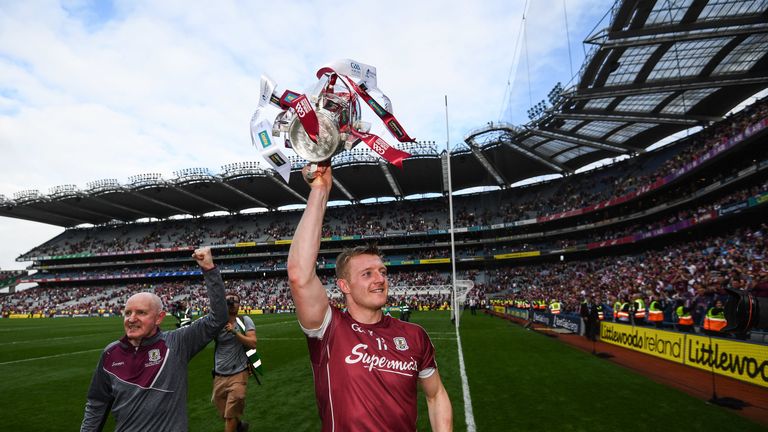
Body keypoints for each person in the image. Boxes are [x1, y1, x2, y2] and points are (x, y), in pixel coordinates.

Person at [287, 163, 453, 432]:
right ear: (345, 285)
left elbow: (436, 395)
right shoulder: (328, 329)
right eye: (367, 274)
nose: (380, 279)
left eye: (382, 271)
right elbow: (299, 274)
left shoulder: (414, 335)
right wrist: (320, 190)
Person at [80, 247, 228, 432]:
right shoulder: (111, 353)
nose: (131, 319)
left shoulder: (177, 343)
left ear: (159, 318)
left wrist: (209, 269)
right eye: (128, 313)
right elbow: (97, 404)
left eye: (141, 313)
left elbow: (218, 318)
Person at [212, 293, 258, 432]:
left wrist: (235, 332)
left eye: (235, 301)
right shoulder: (216, 322)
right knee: (225, 414)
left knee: (230, 416)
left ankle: (235, 425)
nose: (232, 303)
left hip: (239, 373)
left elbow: (253, 343)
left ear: (240, 304)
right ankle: (240, 426)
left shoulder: (244, 320)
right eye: (228, 301)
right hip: (219, 374)